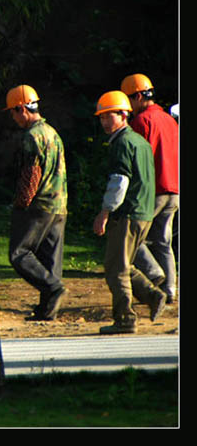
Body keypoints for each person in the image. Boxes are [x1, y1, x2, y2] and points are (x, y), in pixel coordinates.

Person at [91, 91, 166, 335]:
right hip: (144, 211)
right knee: (123, 263)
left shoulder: (122, 143)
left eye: (108, 116)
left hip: (129, 213)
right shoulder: (140, 142)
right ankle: (153, 295)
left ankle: (125, 319)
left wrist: (105, 212)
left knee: (116, 269)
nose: (104, 122)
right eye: (101, 117)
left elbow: (119, 181)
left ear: (123, 115)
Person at [3, 85, 69, 321]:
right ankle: (47, 309)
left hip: (38, 205)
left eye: (13, 112)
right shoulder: (52, 132)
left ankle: (53, 288)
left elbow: (31, 174)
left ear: (22, 109)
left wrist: (22, 203)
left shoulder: (32, 136)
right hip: (59, 204)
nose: (13, 117)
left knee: (18, 252)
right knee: (49, 258)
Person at [121, 74, 179, 304]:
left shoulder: (141, 122)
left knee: (131, 238)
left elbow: (137, 160)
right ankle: (171, 289)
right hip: (174, 189)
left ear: (137, 96)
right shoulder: (169, 120)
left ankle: (155, 275)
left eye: (128, 100)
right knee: (163, 242)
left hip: (152, 191)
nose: (127, 106)